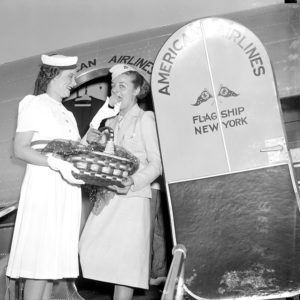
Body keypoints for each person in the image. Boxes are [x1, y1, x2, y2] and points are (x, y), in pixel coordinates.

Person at [79, 64, 162, 300]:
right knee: (87, 247)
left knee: (126, 267)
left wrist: (133, 181)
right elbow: (88, 154)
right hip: (110, 198)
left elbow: (156, 164)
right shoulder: (111, 122)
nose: (116, 90)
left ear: (137, 91)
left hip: (133, 198)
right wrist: (94, 130)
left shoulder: (145, 119)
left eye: (122, 86)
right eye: (114, 86)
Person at [6, 54, 85, 300]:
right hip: (44, 187)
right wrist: (53, 162)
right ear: (52, 75)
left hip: (65, 189)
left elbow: (73, 151)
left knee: (52, 266)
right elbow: (20, 148)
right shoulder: (34, 103)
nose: (73, 83)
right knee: (38, 262)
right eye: (69, 77)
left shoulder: (68, 113)